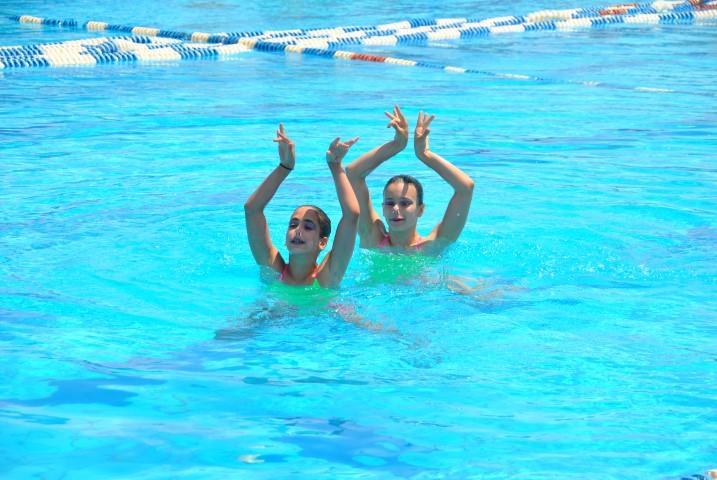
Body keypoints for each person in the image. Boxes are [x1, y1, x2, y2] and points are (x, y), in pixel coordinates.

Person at [244, 124, 360, 288]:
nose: (298, 231)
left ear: (322, 242)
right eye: (293, 225)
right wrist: (284, 166)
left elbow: (352, 215)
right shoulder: (273, 270)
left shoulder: (326, 277)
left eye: (308, 227)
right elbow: (252, 210)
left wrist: (335, 166)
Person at [346, 106, 474, 254]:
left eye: (405, 203)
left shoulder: (433, 246)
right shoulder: (371, 238)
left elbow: (466, 187)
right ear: (383, 208)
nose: (395, 208)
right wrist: (397, 144)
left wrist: (425, 154)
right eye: (390, 203)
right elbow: (353, 173)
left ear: (420, 210)